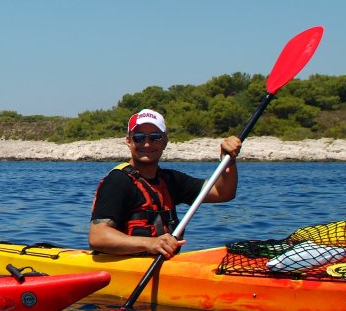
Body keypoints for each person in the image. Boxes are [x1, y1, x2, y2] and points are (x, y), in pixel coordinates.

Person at [89, 108, 241, 258]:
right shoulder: (117, 182)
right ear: (128, 141)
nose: (147, 144)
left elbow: (223, 193)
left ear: (165, 142)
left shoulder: (170, 180)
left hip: (162, 266)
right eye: (139, 137)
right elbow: (98, 237)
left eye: (155, 137)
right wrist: (151, 243)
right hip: (126, 269)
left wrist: (229, 161)